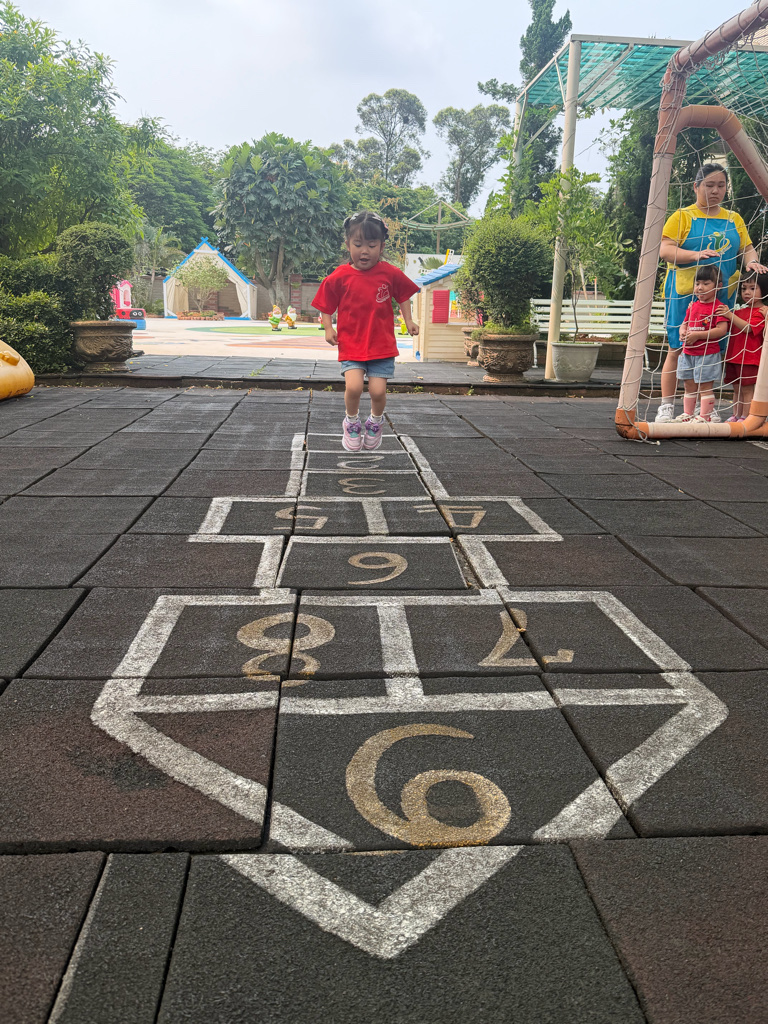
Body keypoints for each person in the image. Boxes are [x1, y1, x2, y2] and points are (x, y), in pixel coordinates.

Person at [656, 163, 767, 423]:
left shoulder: (734, 218)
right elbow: (665, 250)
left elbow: (747, 248)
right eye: (709, 185)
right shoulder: (682, 216)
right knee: (678, 347)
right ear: (696, 187)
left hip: (721, 296)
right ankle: (666, 406)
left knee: (713, 350)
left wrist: (752, 262)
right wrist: (695, 255)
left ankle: (704, 407)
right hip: (685, 294)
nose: (715, 190)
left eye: (721, 185)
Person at [312, 211, 419, 452]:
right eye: (358, 244)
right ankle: (351, 422)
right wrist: (328, 328)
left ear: (381, 246)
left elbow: (403, 295)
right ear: (348, 244)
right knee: (354, 388)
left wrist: (409, 320)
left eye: (371, 245)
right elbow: (325, 303)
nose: (364, 251)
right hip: (352, 344)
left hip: (381, 345)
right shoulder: (340, 276)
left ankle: (375, 422)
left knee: (378, 392)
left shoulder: (389, 273)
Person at [675, 265, 729, 422]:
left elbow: (722, 330)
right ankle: (688, 414)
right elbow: (684, 323)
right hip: (688, 353)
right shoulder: (693, 305)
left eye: (706, 284)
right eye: (697, 283)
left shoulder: (719, 307)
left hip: (707, 354)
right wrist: (682, 332)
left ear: (718, 286)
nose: (700, 287)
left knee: (705, 387)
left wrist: (698, 335)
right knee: (688, 385)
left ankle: (705, 417)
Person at [717, 270, 768, 420]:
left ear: (764, 290)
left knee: (747, 390)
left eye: (752, 288)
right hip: (734, 357)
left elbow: (748, 328)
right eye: (744, 288)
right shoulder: (739, 312)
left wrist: (729, 315)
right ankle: (736, 415)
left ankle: (746, 417)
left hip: (749, 359)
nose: (746, 292)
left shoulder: (762, 312)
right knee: (736, 389)